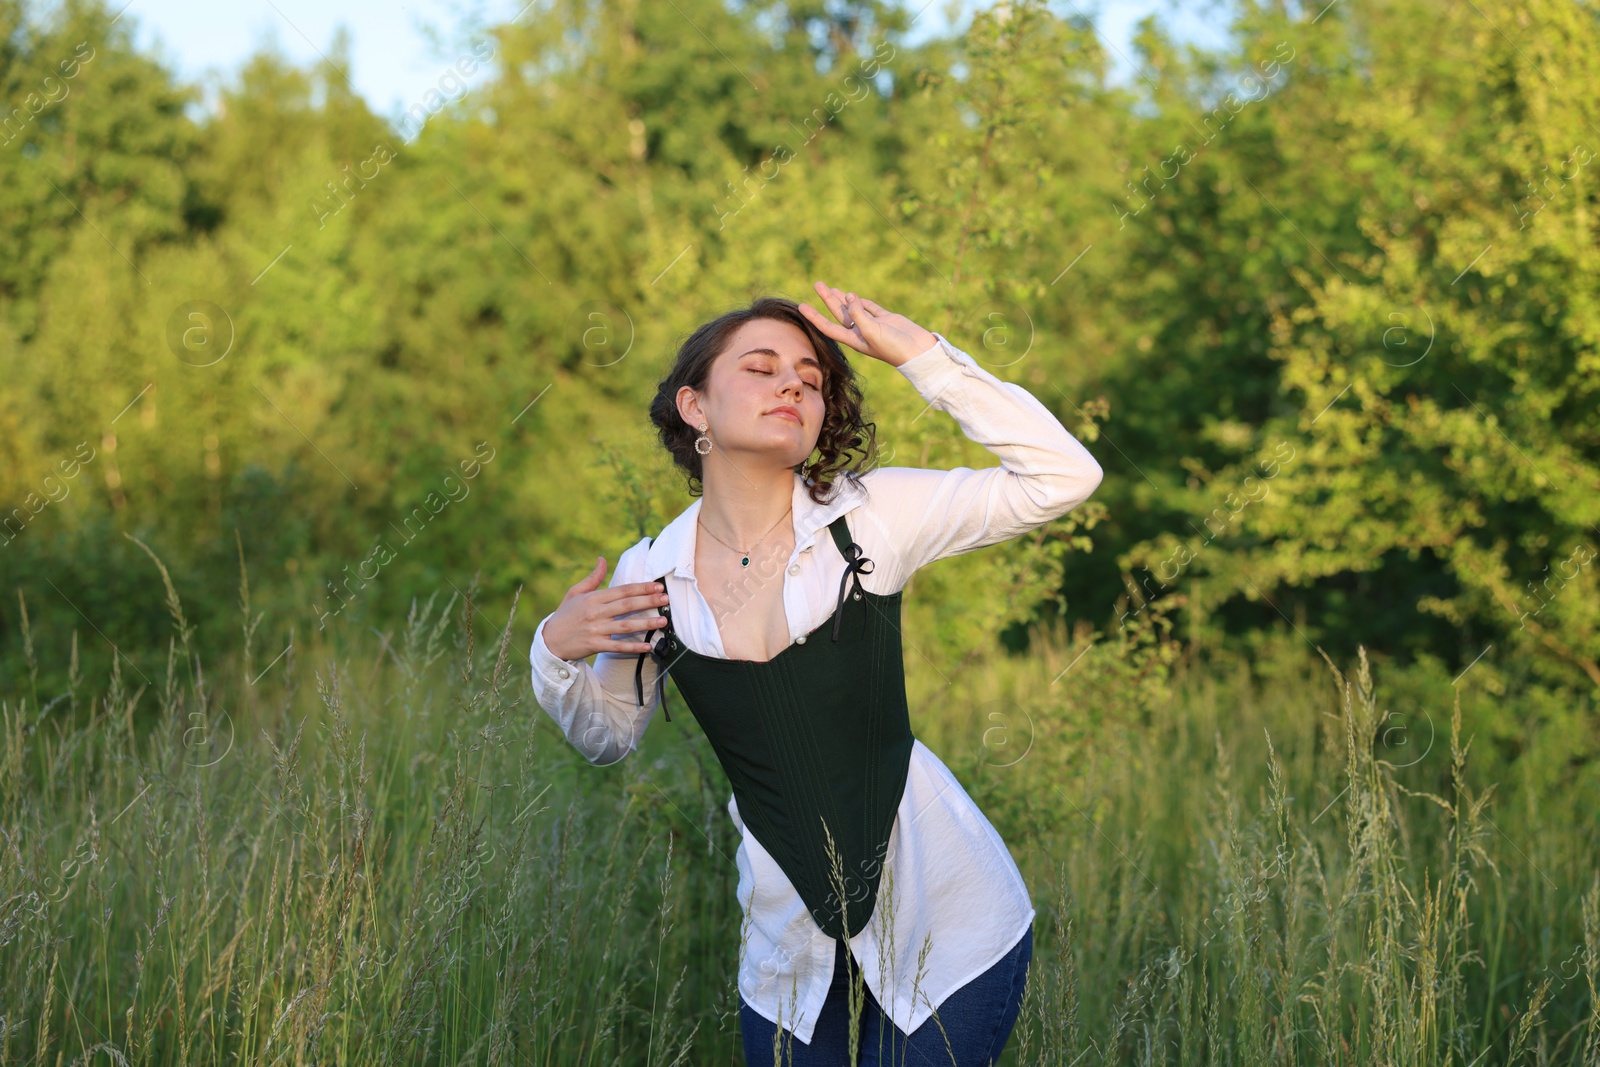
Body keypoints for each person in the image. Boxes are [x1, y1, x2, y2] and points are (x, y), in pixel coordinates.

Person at [530, 282, 1104, 1064]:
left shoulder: (870, 517)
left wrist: (923, 356)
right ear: (695, 407)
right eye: (761, 368)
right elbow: (607, 735)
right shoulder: (654, 573)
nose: (793, 383)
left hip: (949, 921)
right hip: (788, 957)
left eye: (811, 376)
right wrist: (553, 648)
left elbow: (1062, 477)